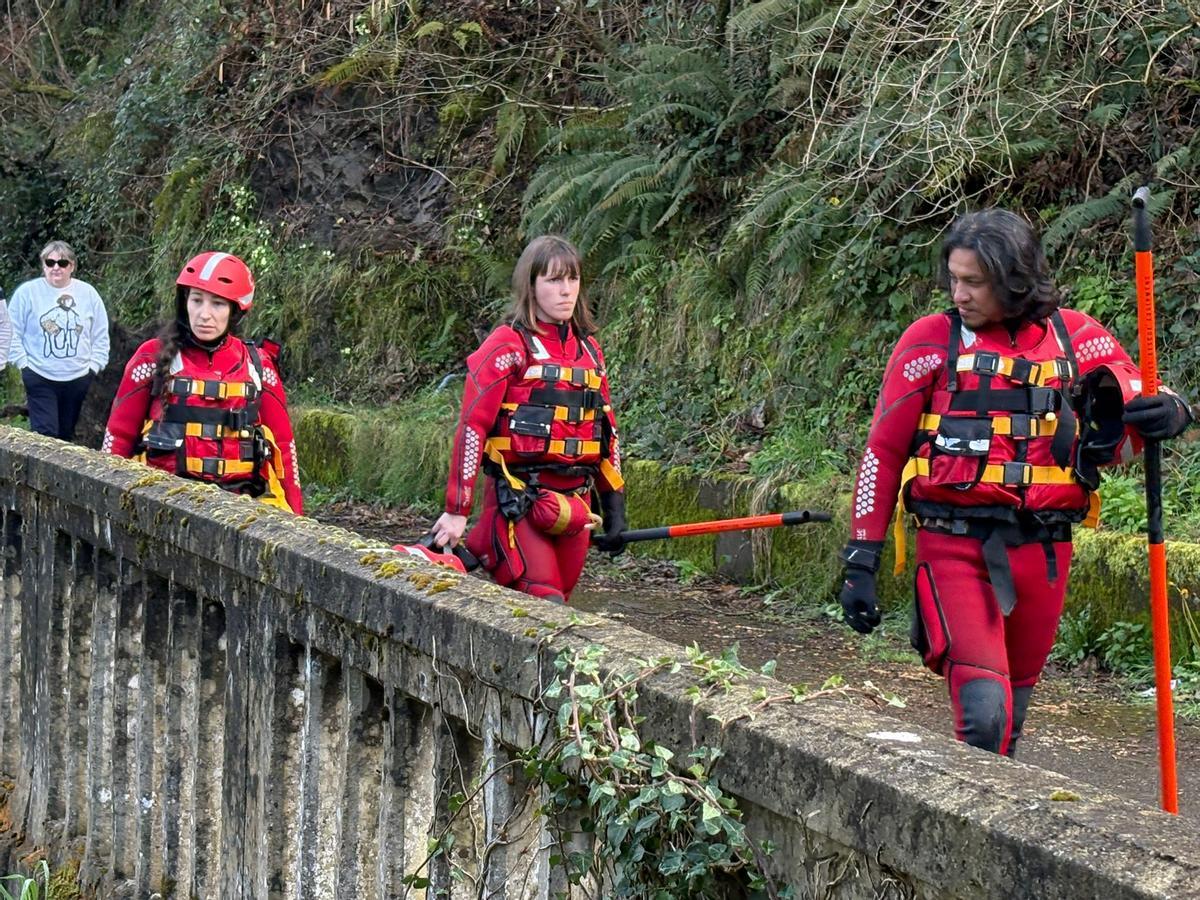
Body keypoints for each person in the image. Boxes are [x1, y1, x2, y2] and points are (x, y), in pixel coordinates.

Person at [838, 209, 1192, 757]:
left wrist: (1171, 411)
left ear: (1015, 279)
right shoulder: (929, 342)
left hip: (1045, 551)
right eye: (954, 279)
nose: (959, 294)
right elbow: (882, 454)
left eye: (974, 282)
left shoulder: (1077, 338)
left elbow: (1141, 394)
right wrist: (861, 559)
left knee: (1010, 721)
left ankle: (978, 812)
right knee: (985, 715)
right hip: (953, 546)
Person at [430, 235, 626, 603]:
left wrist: (614, 505)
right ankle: (486, 538)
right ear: (531, 286)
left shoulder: (590, 350)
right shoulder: (507, 345)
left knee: (562, 600)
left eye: (573, 279)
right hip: (518, 503)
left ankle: (483, 549)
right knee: (544, 601)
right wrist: (457, 510)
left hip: (575, 506)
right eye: (554, 280)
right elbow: (473, 427)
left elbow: (607, 431)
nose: (566, 291)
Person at [102, 251, 302, 515]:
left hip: (240, 508)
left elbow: (284, 447)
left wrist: (298, 520)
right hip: (164, 504)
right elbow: (118, 437)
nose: (204, 314)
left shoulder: (258, 365)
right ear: (185, 302)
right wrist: (107, 505)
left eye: (217, 304)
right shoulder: (150, 357)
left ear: (235, 311)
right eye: (196, 300)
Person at [8, 241, 110, 440]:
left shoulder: (88, 294)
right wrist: (23, 363)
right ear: (43, 265)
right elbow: (11, 331)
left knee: (65, 435)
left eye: (62, 263)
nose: (56, 267)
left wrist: (94, 366)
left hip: (78, 377)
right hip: (39, 374)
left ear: (72, 266)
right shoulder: (27, 293)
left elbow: (100, 334)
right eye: (50, 262)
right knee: (45, 434)